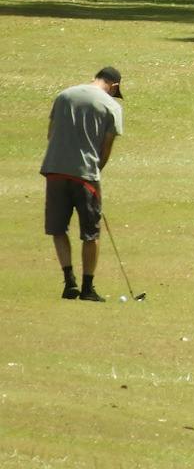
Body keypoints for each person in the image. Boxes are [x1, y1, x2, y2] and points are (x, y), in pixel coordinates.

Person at [40, 67, 125, 301]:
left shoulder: (64, 96)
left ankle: (69, 282)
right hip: (85, 175)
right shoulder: (111, 106)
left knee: (58, 229)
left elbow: (51, 134)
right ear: (114, 86)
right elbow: (106, 148)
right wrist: (95, 172)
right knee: (90, 233)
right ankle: (87, 288)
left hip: (55, 170)